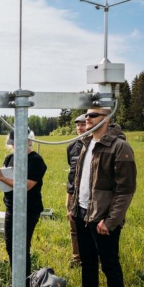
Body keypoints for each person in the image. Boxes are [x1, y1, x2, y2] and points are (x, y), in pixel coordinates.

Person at [67, 108, 136, 287]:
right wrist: (74, 208)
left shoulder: (120, 147)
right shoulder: (86, 144)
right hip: (82, 213)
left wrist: (111, 220)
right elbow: (78, 179)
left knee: (109, 264)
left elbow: (126, 189)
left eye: (93, 115)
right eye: (87, 115)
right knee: (87, 261)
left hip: (103, 217)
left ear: (106, 119)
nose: (87, 118)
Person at [0, 129, 47, 282]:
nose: (14, 147)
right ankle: (16, 280)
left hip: (28, 210)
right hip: (11, 208)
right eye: (12, 144)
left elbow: (25, 186)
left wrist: (1, 177)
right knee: (10, 246)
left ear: (28, 141)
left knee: (21, 248)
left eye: (17, 143)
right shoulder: (9, 159)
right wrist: (0, 177)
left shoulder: (36, 161)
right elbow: (7, 181)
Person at [65, 114, 87, 267]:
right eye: (77, 125)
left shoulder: (93, 145)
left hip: (89, 194)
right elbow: (72, 173)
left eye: (83, 124)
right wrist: (68, 195)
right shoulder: (71, 147)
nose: (80, 128)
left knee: (90, 227)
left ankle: (92, 257)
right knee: (74, 227)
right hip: (74, 193)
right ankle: (76, 258)